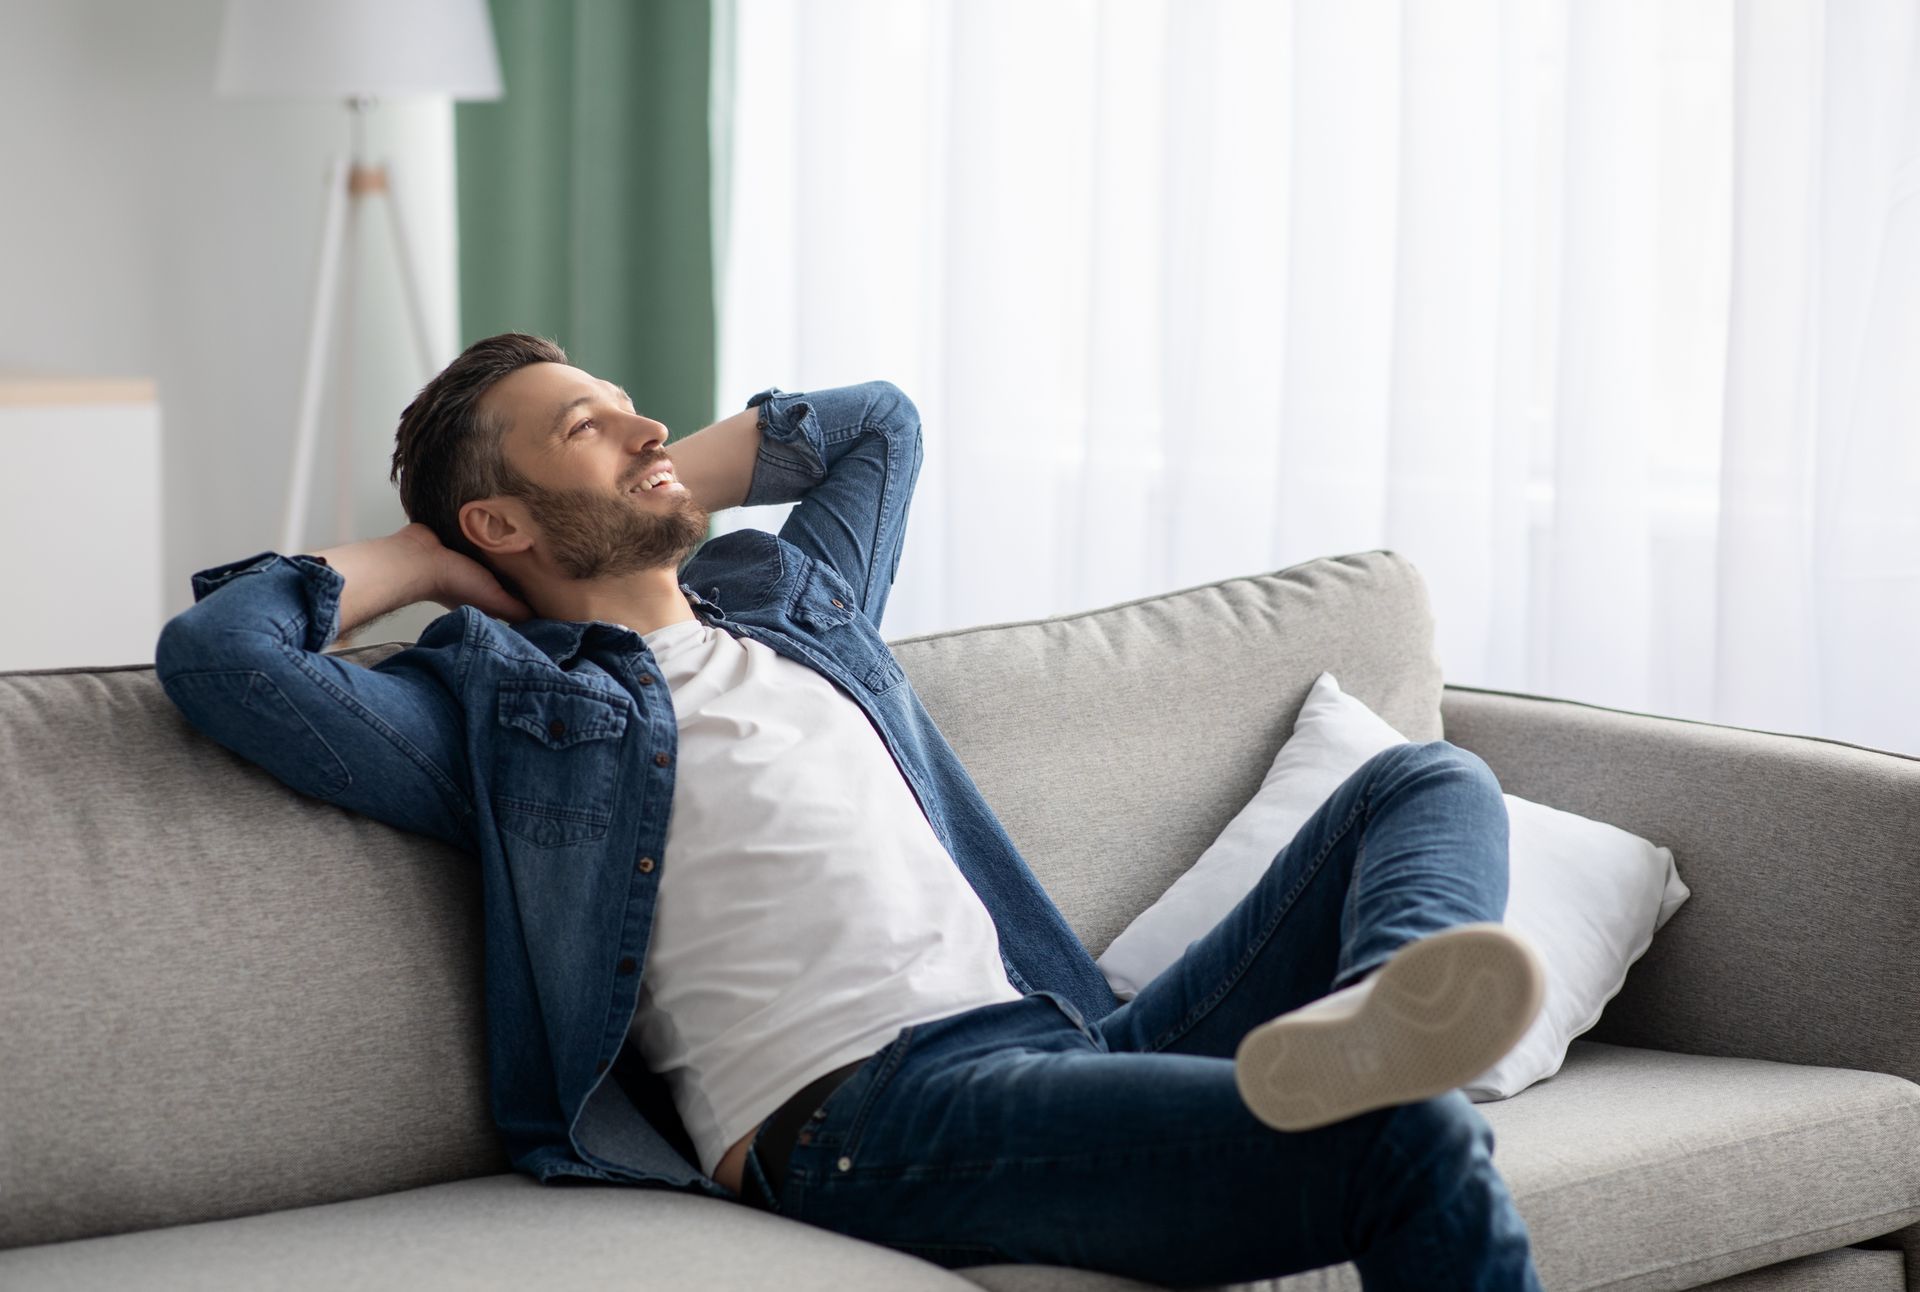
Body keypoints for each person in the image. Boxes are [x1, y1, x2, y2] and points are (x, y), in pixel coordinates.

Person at [154, 332, 1550, 1289]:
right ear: (500, 524)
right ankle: (1381, 1080)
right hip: (867, 1116)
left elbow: (879, 424)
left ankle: (1367, 1023)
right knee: (1419, 1146)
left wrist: (633, 478)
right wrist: (426, 554)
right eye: (591, 426)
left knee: (1426, 780)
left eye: (637, 409)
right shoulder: (504, 719)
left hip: (1061, 1035)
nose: (650, 426)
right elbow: (224, 660)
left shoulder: (799, 608)